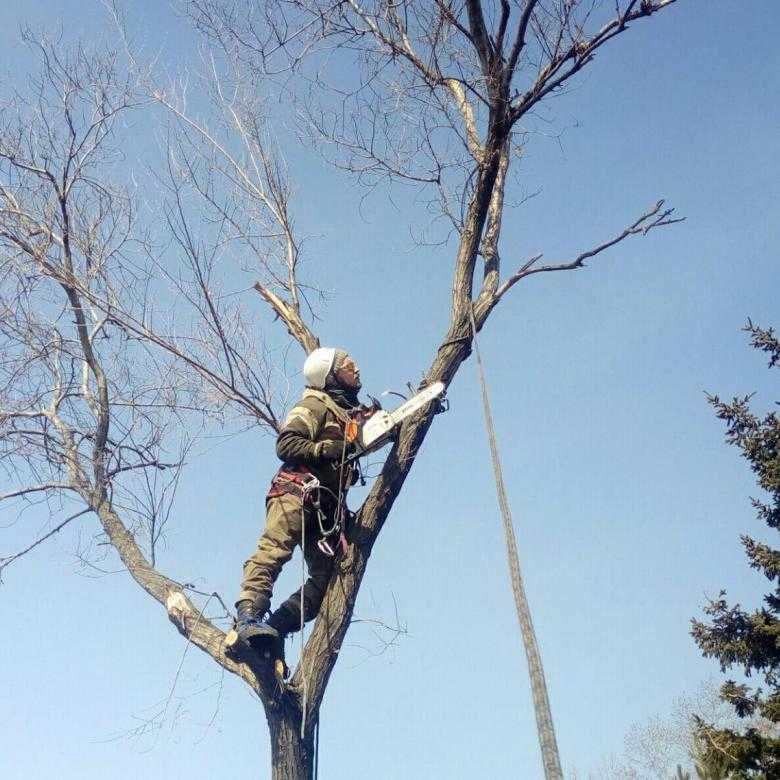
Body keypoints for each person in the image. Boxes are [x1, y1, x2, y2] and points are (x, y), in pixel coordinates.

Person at [235, 347, 363, 653]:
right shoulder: (315, 405)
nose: (356, 370)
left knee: (327, 578)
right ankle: (248, 616)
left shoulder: (344, 414)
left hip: (326, 510)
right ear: (330, 374)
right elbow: (287, 443)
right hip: (295, 492)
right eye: (348, 365)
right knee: (273, 552)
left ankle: (275, 628)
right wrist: (325, 450)